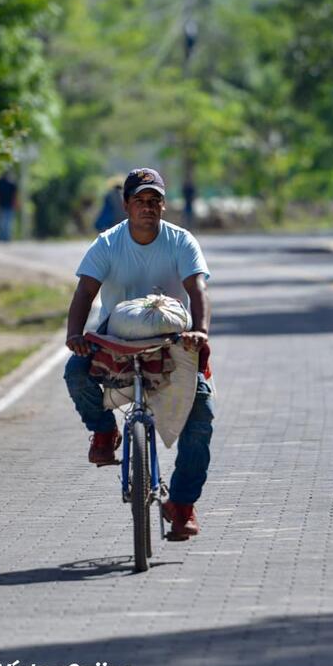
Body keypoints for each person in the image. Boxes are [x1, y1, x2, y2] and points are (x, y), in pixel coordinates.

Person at [63, 167, 213, 541]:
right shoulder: (108, 244)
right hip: (117, 343)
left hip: (172, 343)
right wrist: (74, 335)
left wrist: (199, 331)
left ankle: (181, 505)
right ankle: (103, 432)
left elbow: (197, 290)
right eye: (140, 200)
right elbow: (85, 293)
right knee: (75, 372)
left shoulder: (181, 241)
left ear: (163, 205)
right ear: (126, 205)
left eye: (154, 200)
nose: (147, 207)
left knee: (201, 415)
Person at [0, 171, 18, 241]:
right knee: (7, 223)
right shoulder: (11, 184)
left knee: (2, 223)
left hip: (3, 206)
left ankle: (4, 237)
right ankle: (5, 237)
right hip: (6, 206)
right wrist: (15, 204)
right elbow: (14, 196)